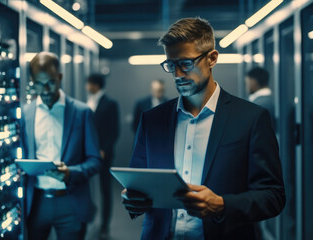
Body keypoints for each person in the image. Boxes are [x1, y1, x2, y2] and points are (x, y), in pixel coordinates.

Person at [120, 18, 285, 239]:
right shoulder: (152, 120)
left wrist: (222, 204)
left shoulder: (251, 119)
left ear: (212, 58)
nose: (178, 74)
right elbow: (138, 185)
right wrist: (133, 200)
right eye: (171, 65)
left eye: (186, 63)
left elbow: (272, 196)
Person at [20, 52, 102, 240]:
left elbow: (95, 161)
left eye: (50, 82)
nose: (46, 90)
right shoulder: (25, 114)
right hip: (36, 203)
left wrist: (71, 173)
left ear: (60, 77)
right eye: (39, 84)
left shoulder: (82, 113)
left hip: (70, 202)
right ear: (32, 81)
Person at [86, 73, 120, 239]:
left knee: (105, 190)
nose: (87, 87)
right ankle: (88, 217)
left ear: (95, 84)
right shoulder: (88, 102)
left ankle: (105, 225)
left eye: (89, 83)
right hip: (88, 153)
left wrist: (104, 149)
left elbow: (114, 130)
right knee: (85, 185)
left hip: (104, 154)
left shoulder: (110, 104)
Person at [245, 67, 276, 131]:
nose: (246, 87)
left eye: (247, 83)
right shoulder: (270, 100)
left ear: (253, 82)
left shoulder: (258, 104)